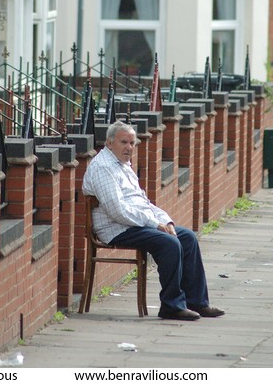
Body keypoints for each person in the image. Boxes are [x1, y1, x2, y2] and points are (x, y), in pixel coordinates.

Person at [82, 120, 225, 321]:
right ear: (109, 143)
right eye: (124, 142)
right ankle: (171, 306)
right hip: (117, 228)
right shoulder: (103, 167)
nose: (129, 148)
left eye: (132, 143)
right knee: (169, 244)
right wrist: (154, 224)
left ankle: (197, 302)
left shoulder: (122, 165)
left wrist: (167, 222)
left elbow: (143, 202)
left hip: (135, 223)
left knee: (187, 237)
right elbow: (118, 211)